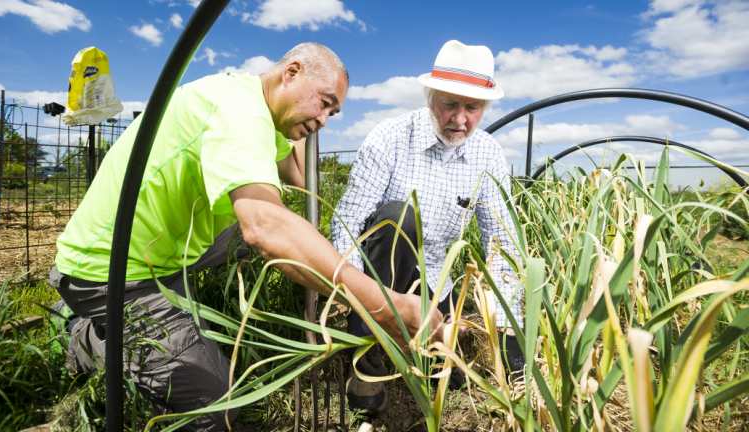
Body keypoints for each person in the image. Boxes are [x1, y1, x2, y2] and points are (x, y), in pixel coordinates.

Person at [50, 42, 442, 431]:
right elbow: (266, 227)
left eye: (333, 112)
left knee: (289, 233)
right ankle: (89, 339)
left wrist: (304, 122)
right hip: (111, 273)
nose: (325, 119)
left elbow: (302, 180)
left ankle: (135, 324)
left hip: (169, 247)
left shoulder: (258, 107)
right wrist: (380, 303)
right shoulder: (239, 111)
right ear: (291, 72)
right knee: (215, 405)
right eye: (324, 103)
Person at [332, 40, 524, 414]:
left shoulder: (488, 153)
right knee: (396, 217)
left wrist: (501, 328)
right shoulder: (389, 138)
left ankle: (436, 350)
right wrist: (354, 296)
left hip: (437, 285)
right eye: (450, 104)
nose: (460, 119)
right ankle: (366, 359)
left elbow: (503, 241)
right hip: (383, 280)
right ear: (430, 95)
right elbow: (348, 224)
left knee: (450, 379)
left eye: (473, 107)